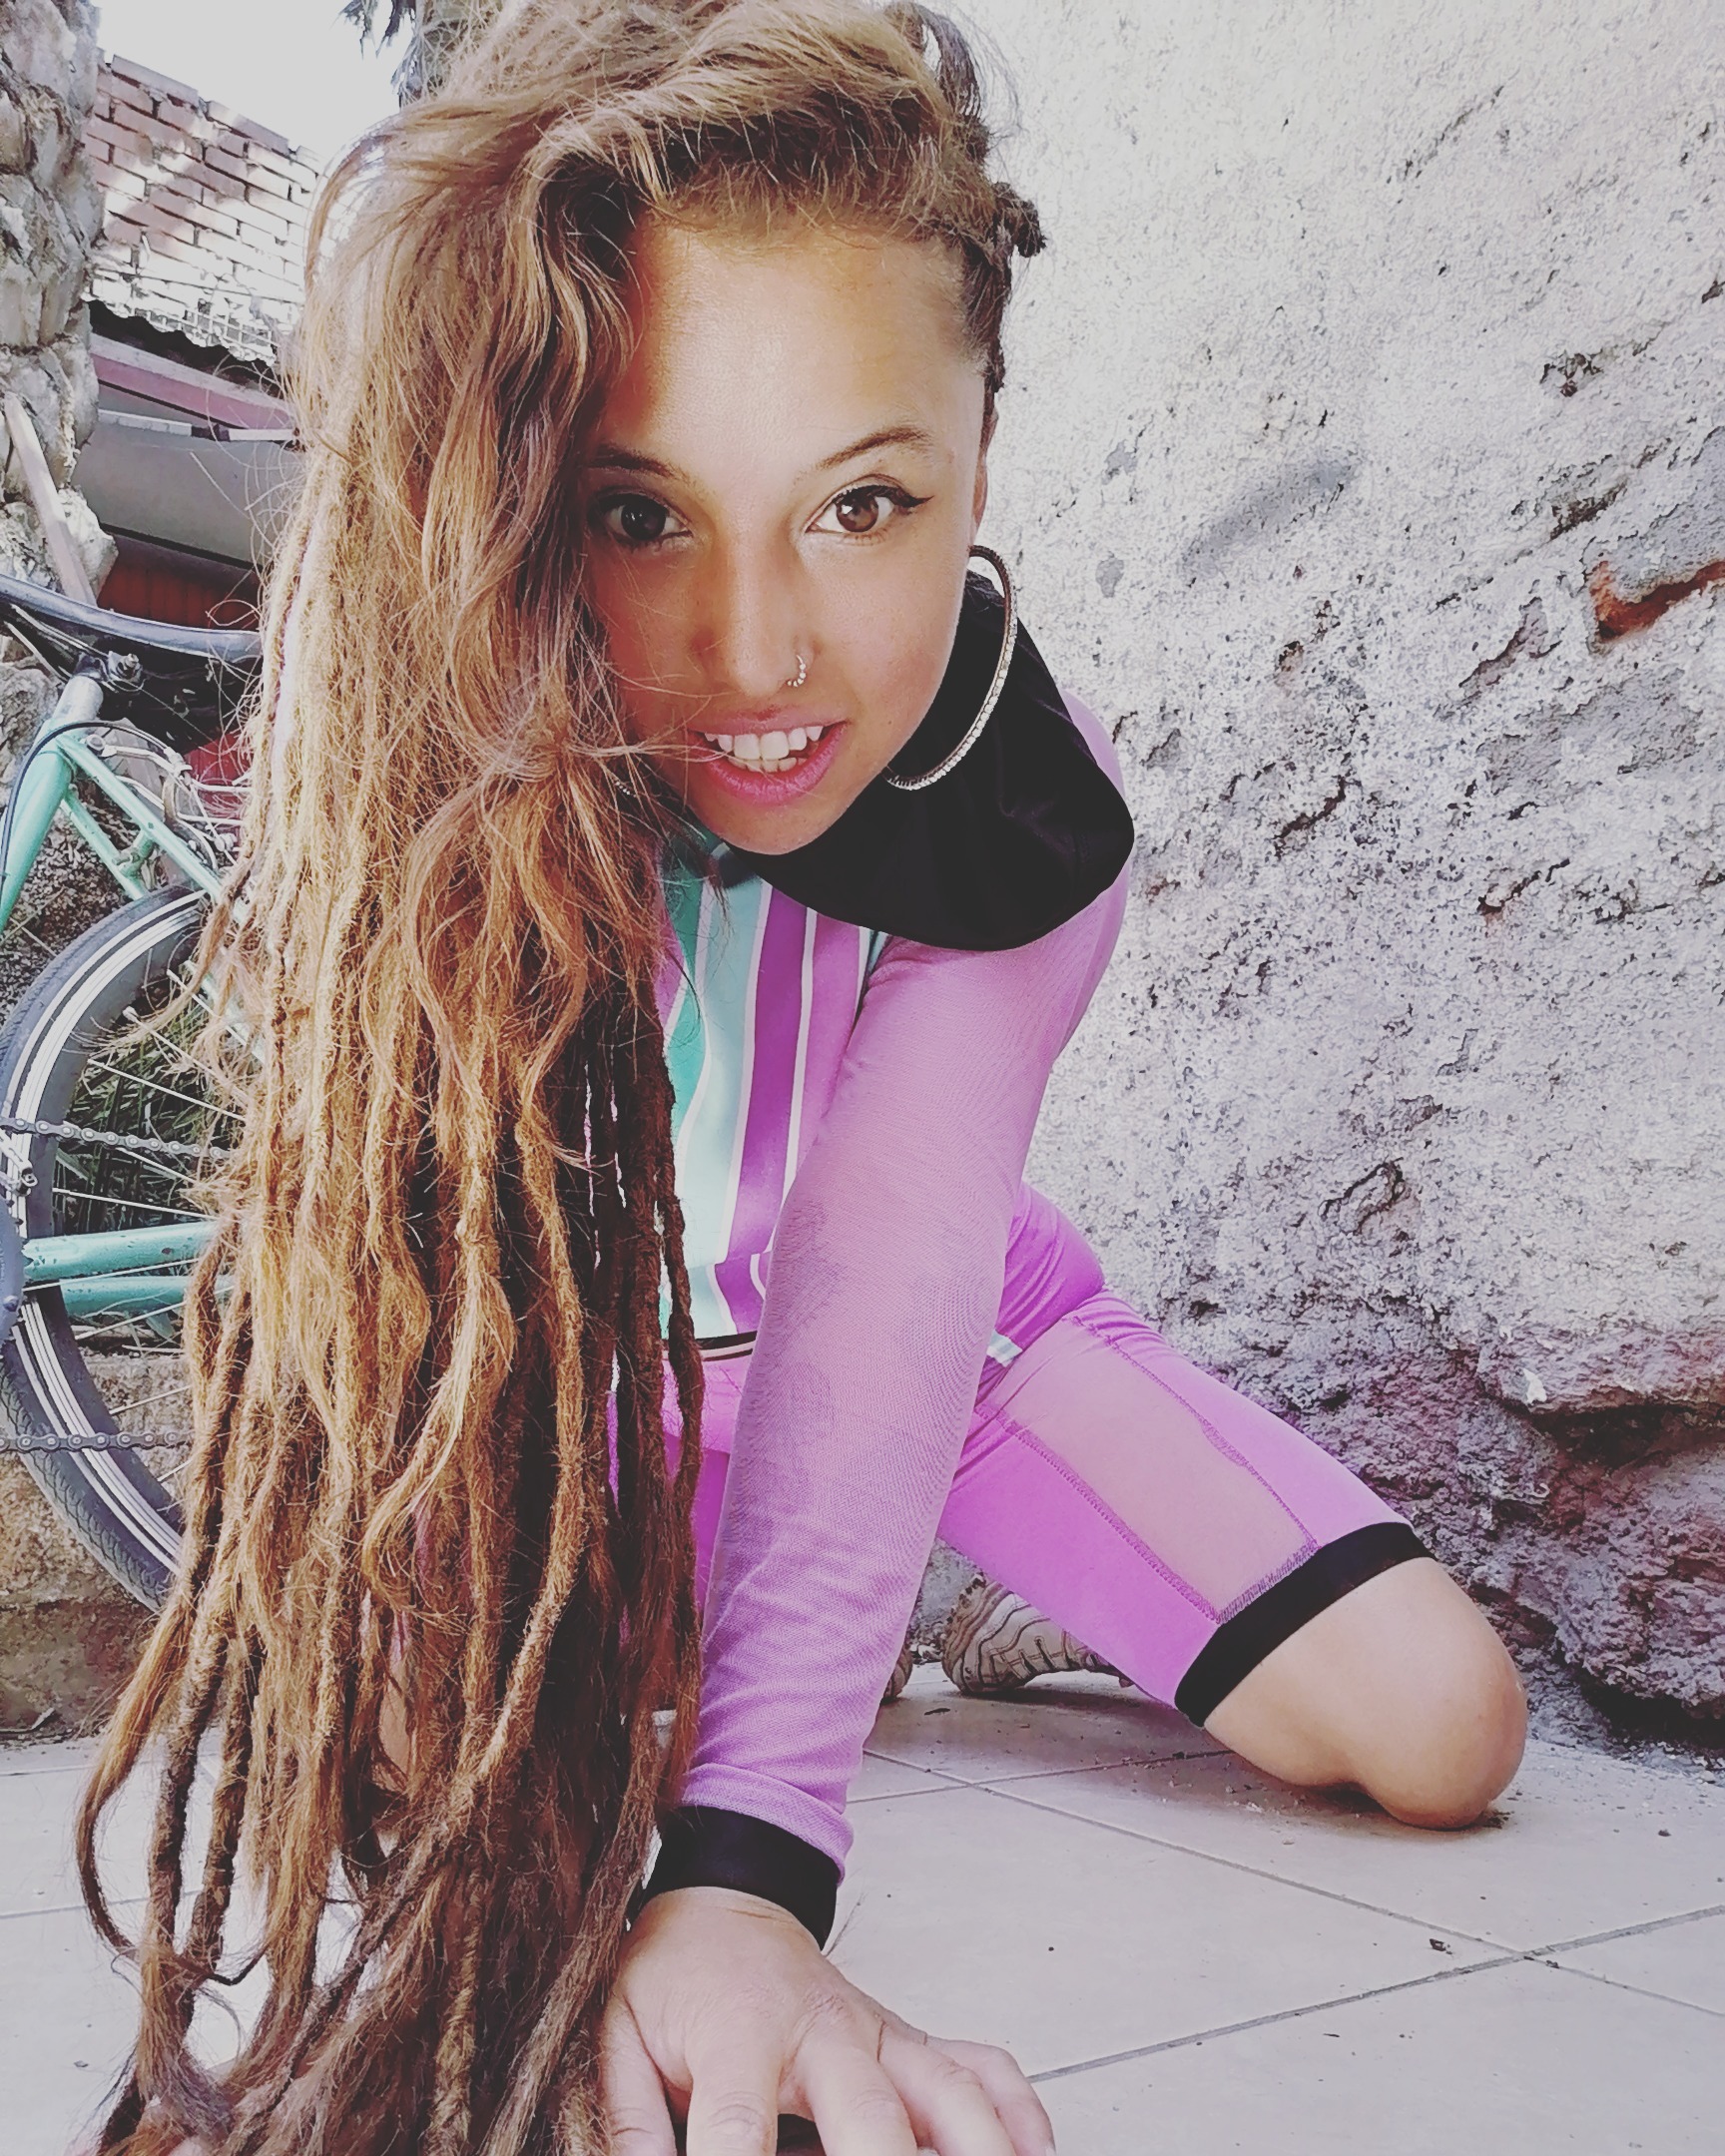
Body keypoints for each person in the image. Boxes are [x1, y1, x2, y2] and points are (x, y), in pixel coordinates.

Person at [74, 5, 1527, 2154]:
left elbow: (889, 1276)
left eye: (861, 502)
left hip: (952, 1337)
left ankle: (962, 1585)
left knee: (1445, 1730)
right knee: (416, 1775)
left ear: (979, 461)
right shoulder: (438, 763)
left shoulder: (1023, 816)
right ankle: (764, 1607)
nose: (754, 657)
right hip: (578, 1398)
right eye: (642, 513)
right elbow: (392, 1321)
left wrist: (752, 1869)